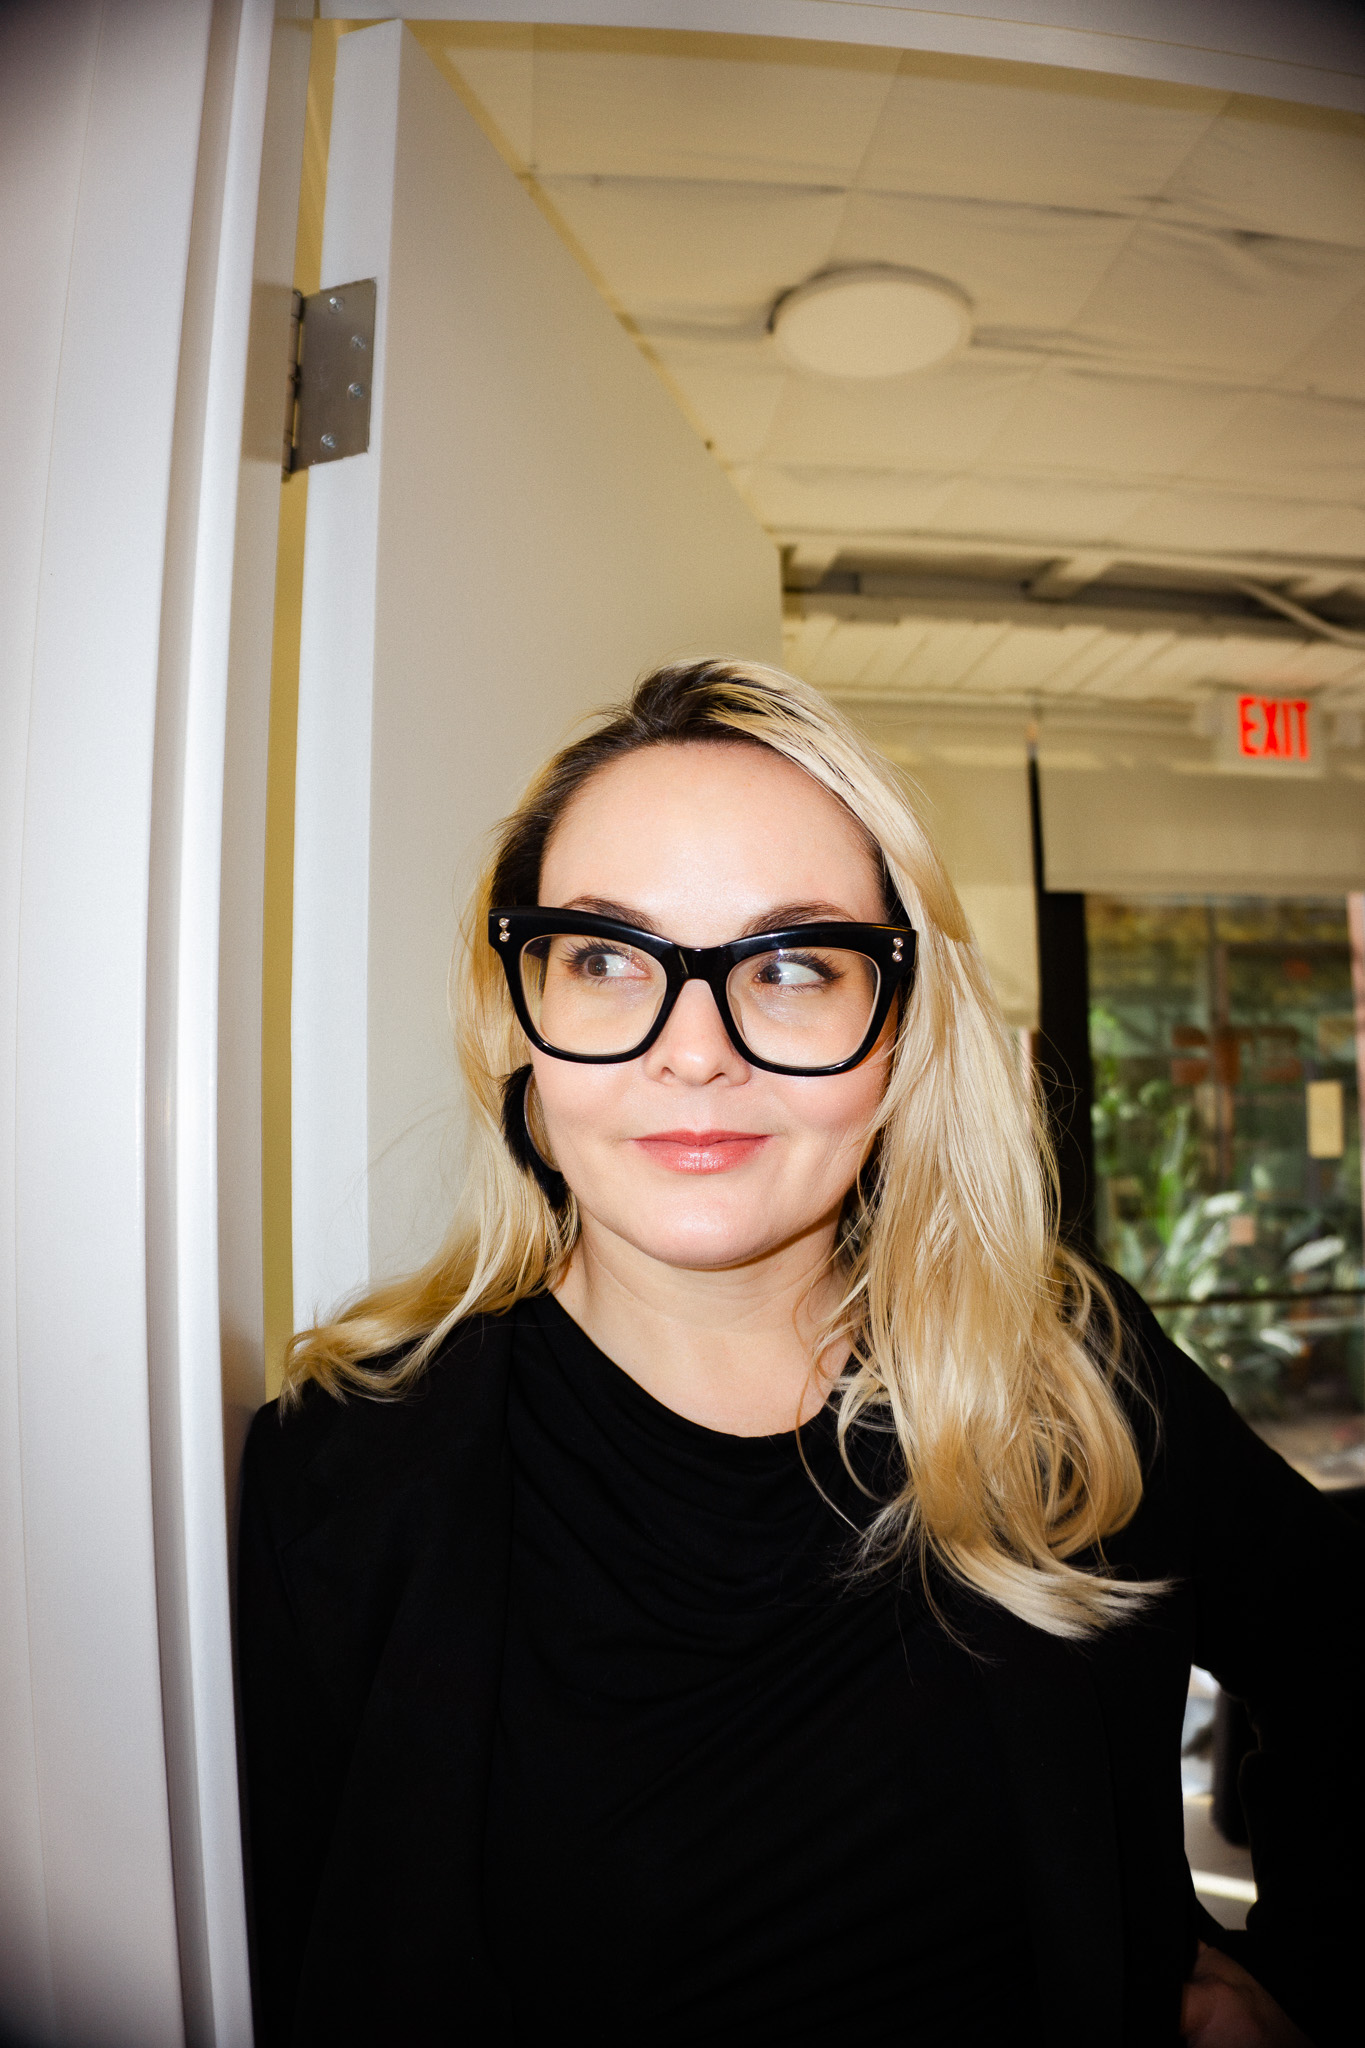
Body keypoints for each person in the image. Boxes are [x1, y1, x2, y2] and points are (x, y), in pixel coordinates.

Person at [238, 659, 1361, 2048]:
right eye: (604, 958)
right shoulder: (348, 1471)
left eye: (789, 966)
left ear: (896, 1027)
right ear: (516, 1019)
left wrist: (1293, 1980)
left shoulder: (1064, 1372)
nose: (695, 1051)